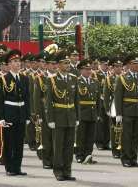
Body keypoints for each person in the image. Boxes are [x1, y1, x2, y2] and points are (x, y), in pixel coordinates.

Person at [45, 50, 79, 181]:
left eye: (68, 63)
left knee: (69, 146)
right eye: (65, 63)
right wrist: (50, 119)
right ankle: (58, 171)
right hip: (58, 117)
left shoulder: (73, 78)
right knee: (58, 146)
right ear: (58, 65)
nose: (68, 65)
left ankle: (67, 170)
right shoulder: (52, 80)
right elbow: (48, 101)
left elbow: (77, 101)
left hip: (70, 116)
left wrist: (77, 117)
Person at [0, 49, 30, 177]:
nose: (17, 64)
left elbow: (27, 98)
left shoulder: (24, 78)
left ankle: (17, 167)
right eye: (14, 61)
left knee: (19, 142)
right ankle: (9, 167)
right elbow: (0, 100)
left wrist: (27, 115)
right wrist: (0, 117)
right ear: (9, 64)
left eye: (19, 61)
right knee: (9, 142)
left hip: (21, 113)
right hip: (9, 113)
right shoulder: (4, 79)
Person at [114, 54, 138, 168]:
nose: (137, 65)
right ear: (128, 65)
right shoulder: (122, 78)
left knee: (136, 136)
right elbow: (118, 97)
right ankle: (126, 158)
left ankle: (133, 158)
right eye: (134, 63)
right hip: (127, 111)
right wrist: (118, 113)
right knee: (127, 136)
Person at [75, 59, 101, 164]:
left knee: (91, 136)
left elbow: (98, 100)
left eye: (90, 69)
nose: (89, 71)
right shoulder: (77, 81)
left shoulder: (95, 82)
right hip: (82, 112)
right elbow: (75, 99)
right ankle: (80, 155)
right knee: (81, 136)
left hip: (92, 112)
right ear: (81, 70)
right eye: (86, 69)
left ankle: (88, 155)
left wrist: (98, 114)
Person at [33, 52, 54, 169]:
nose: (54, 66)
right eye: (51, 64)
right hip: (44, 112)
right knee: (46, 138)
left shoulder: (58, 77)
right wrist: (38, 115)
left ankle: (55, 159)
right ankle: (46, 160)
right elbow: (37, 98)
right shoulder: (40, 78)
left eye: (55, 64)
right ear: (46, 65)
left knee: (56, 138)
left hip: (57, 111)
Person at [103, 56, 123, 159]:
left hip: (125, 105)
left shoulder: (125, 77)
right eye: (116, 66)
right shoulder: (109, 79)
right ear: (113, 68)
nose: (119, 68)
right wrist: (107, 108)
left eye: (120, 66)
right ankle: (115, 149)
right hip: (114, 105)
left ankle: (123, 148)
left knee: (124, 129)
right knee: (115, 128)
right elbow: (106, 95)